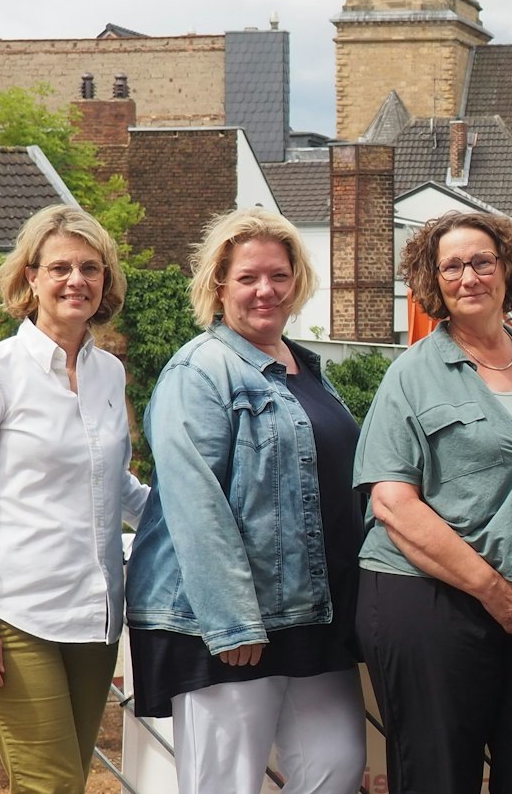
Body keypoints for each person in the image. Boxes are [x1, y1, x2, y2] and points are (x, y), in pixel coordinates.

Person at [125, 208, 366, 792]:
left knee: (337, 766)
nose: (266, 291)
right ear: (218, 286)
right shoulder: (200, 371)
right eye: (248, 278)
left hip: (314, 615)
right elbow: (194, 505)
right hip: (232, 628)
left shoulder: (306, 367)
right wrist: (233, 624)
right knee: (223, 784)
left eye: (279, 276)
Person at [352, 211, 512, 794]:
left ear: (507, 268)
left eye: (481, 261)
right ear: (435, 281)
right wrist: (489, 587)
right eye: (451, 266)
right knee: (439, 777)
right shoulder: (411, 375)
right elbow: (392, 502)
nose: (469, 277)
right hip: (428, 599)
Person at [0, 204, 149, 794]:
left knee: (64, 784)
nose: (76, 280)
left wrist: (202, 514)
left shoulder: (110, 374)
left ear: (106, 281)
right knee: (49, 786)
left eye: (90, 268)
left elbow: (116, 487)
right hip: (11, 612)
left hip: (94, 618)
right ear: (30, 277)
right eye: (60, 268)